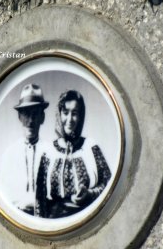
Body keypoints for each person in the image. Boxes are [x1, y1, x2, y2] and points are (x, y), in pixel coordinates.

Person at [35, 90, 111, 218]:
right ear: (59, 115)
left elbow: (108, 184)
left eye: (74, 113)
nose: (70, 119)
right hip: (54, 223)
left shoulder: (91, 147)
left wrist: (90, 194)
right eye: (65, 113)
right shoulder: (48, 153)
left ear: (80, 116)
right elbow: (39, 201)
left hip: (88, 220)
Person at [0, 84, 49, 215]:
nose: (31, 121)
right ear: (19, 117)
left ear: (42, 118)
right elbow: (3, 196)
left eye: (35, 114)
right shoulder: (9, 155)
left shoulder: (51, 152)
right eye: (26, 114)